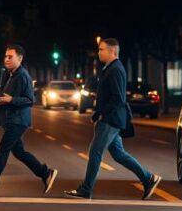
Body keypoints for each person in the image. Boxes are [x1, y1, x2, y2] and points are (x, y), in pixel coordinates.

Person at [65, 38, 161, 200]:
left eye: (101, 49)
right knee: (118, 154)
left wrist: (102, 113)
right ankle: (148, 178)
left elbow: (118, 98)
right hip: (111, 117)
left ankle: (86, 189)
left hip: (110, 119)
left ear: (112, 51)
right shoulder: (110, 68)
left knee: (95, 152)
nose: (99, 52)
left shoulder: (115, 69)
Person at [0, 45, 58, 197]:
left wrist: (11, 100)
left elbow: (30, 100)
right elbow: (2, 91)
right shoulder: (8, 74)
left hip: (18, 121)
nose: (7, 59)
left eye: (10, 57)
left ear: (20, 58)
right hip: (9, 120)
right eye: (6, 56)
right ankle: (45, 173)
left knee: (2, 151)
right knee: (19, 152)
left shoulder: (23, 76)